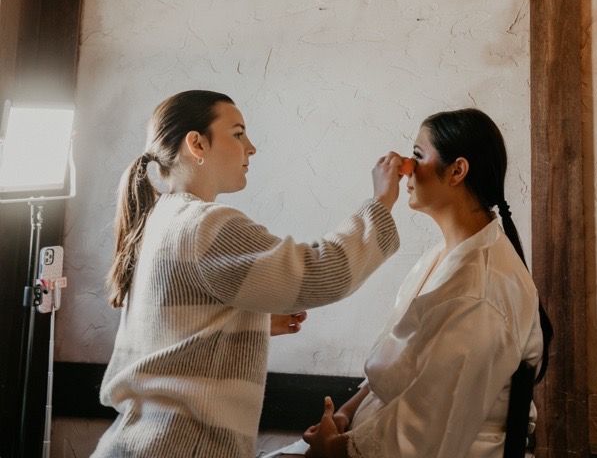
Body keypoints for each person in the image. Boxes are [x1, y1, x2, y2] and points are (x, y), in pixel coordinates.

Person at [93, 90, 403, 458]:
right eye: (238, 134)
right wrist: (381, 203)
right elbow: (322, 272)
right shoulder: (204, 225)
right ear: (197, 144)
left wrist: (249, 320)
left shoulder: (161, 219)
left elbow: (176, 329)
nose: (251, 148)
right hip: (177, 445)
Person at [302, 108, 553, 458]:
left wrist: (335, 449)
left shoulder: (479, 292)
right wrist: (346, 414)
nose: (405, 166)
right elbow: (404, 370)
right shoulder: (447, 255)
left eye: (417, 155)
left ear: (457, 171)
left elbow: (429, 433)